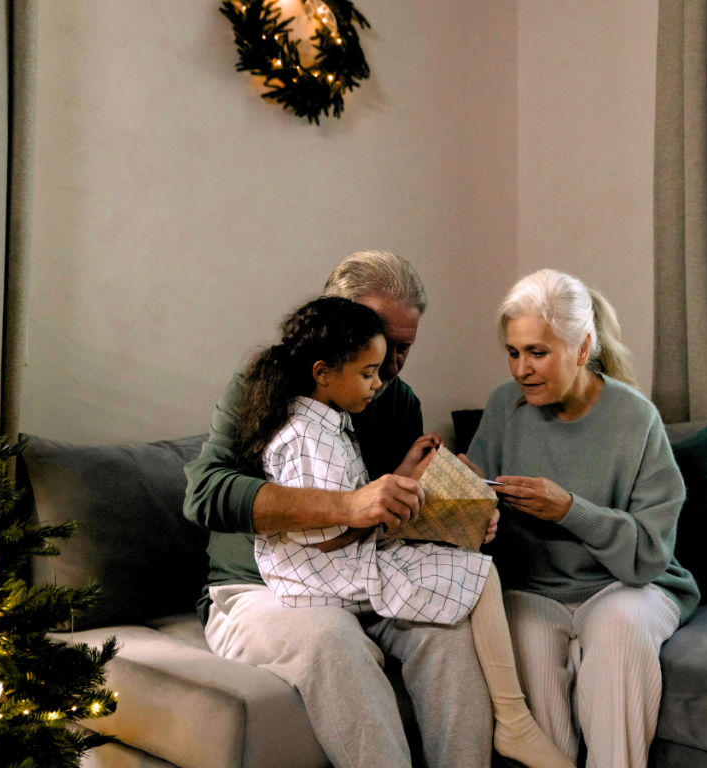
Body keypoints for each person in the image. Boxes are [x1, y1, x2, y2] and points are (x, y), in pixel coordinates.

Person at [183, 252, 496, 768]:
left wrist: (462, 513)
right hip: (261, 592)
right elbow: (206, 494)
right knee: (331, 638)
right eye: (380, 344)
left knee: (449, 629)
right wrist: (349, 505)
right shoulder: (262, 385)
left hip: (361, 581)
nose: (392, 365)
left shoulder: (397, 402)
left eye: (405, 348)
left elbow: (400, 521)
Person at [237, 295, 575, 768]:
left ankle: (512, 722)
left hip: (333, 562)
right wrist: (398, 508)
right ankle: (514, 720)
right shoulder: (308, 438)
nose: (379, 383)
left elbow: (349, 501)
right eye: (368, 372)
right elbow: (326, 534)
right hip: (322, 574)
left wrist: (405, 474)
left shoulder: (325, 423)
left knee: (468, 571)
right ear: (322, 372)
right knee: (476, 573)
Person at [462, 269, 701, 768]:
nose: (522, 369)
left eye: (537, 353)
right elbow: (480, 521)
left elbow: (650, 553)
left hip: (626, 586)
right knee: (523, 649)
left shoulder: (635, 418)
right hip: (532, 590)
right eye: (513, 352)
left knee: (618, 630)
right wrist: (461, 489)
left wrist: (571, 510)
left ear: (582, 345)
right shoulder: (504, 408)